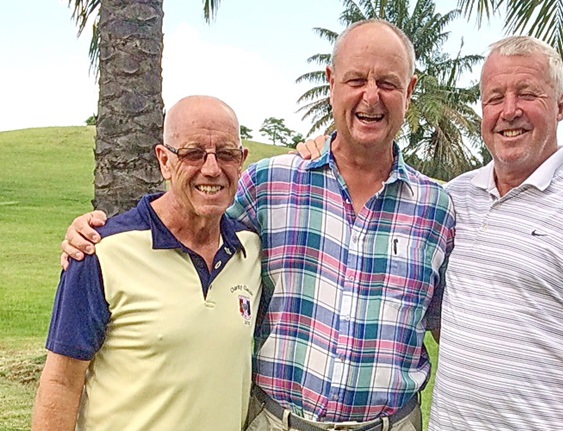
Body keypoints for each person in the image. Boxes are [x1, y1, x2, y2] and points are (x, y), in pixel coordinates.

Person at [60, 20, 455, 431]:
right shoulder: (270, 185)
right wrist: (97, 235)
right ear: (332, 83)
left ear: (410, 92)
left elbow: (455, 322)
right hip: (276, 422)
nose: (370, 96)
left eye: (388, 83)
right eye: (356, 79)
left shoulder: (438, 208)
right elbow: (188, 223)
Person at [427, 36, 563, 430]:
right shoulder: (454, 198)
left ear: (559, 105)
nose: (509, 111)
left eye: (527, 94)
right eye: (495, 98)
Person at [33, 96, 262, 431]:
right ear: (164, 161)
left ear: (241, 161)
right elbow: (61, 384)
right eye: (193, 153)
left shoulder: (250, 249)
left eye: (225, 154)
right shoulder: (101, 251)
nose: (211, 168)